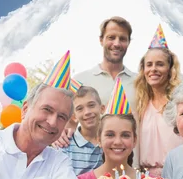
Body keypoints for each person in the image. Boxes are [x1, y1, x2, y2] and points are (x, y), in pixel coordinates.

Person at [0, 82, 89, 179]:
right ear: (25, 109)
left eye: (61, 117)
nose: (52, 122)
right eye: (47, 109)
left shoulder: (58, 159)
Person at [54, 16, 138, 148]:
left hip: (132, 164)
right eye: (111, 37)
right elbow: (69, 124)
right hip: (90, 165)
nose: (116, 43)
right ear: (101, 40)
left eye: (122, 39)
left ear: (128, 42)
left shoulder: (140, 82)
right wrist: (60, 135)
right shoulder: (80, 80)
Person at [133, 27, 183, 177]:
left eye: (160, 64)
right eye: (149, 65)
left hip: (178, 176)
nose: (153, 69)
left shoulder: (180, 103)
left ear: (170, 69)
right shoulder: (140, 104)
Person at [77, 113, 138, 179]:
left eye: (125, 135)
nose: (117, 142)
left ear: (134, 141)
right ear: (99, 140)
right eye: (110, 135)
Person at [61, 86, 105, 175]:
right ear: (74, 116)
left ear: (102, 109)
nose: (87, 112)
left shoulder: (110, 142)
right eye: (80, 109)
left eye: (91, 105)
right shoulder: (66, 146)